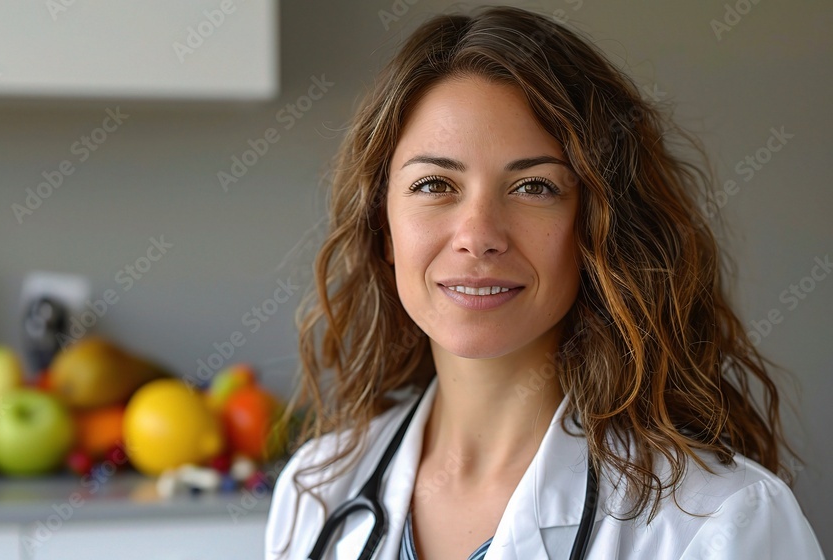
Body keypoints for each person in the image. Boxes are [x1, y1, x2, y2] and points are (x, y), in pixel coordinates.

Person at [264, 6, 825, 560]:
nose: (479, 235)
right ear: (383, 229)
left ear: (599, 228)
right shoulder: (315, 492)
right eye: (435, 184)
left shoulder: (719, 522)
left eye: (534, 187)